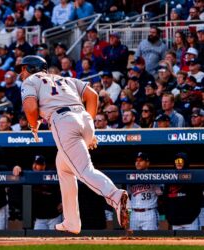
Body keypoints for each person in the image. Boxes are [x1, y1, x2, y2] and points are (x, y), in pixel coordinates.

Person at [17, 55, 129, 234]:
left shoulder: (30, 80)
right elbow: (92, 95)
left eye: (22, 68)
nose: (21, 72)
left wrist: (33, 124)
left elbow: (30, 108)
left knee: (84, 171)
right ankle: (72, 222)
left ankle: (115, 196)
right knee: (64, 168)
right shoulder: (64, 78)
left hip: (63, 122)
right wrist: (89, 125)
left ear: (31, 68)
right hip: (83, 118)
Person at [13, 155, 62, 230]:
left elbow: (65, 188)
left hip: (54, 217)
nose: (34, 166)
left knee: (56, 240)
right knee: (37, 239)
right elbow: (19, 171)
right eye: (34, 163)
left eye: (38, 164)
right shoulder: (30, 176)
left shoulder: (52, 174)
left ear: (44, 166)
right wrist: (17, 167)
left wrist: (63, 202)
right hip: (40, 219)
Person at [162, 152, 203, 230]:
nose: (178, 163)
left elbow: (199, 199)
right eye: (176, 161)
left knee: (193, 241)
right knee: (177, 242)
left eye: (181, 161)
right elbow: (165, 200)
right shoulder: (169, 178)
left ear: (185, 162)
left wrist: (193, 216)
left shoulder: (194, 177)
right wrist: (169, 217)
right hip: (175, 221)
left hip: (190, 221)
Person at [127, 152, 162, 230]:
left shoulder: (154, 177)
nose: (138, 162)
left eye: (141, 160)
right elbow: (128, 194)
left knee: (151, 239)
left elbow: (161, 194)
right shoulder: (130, 177)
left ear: (147, 163)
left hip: (149, 212)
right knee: (133, 239)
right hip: (134, 213)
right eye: (136, 161)